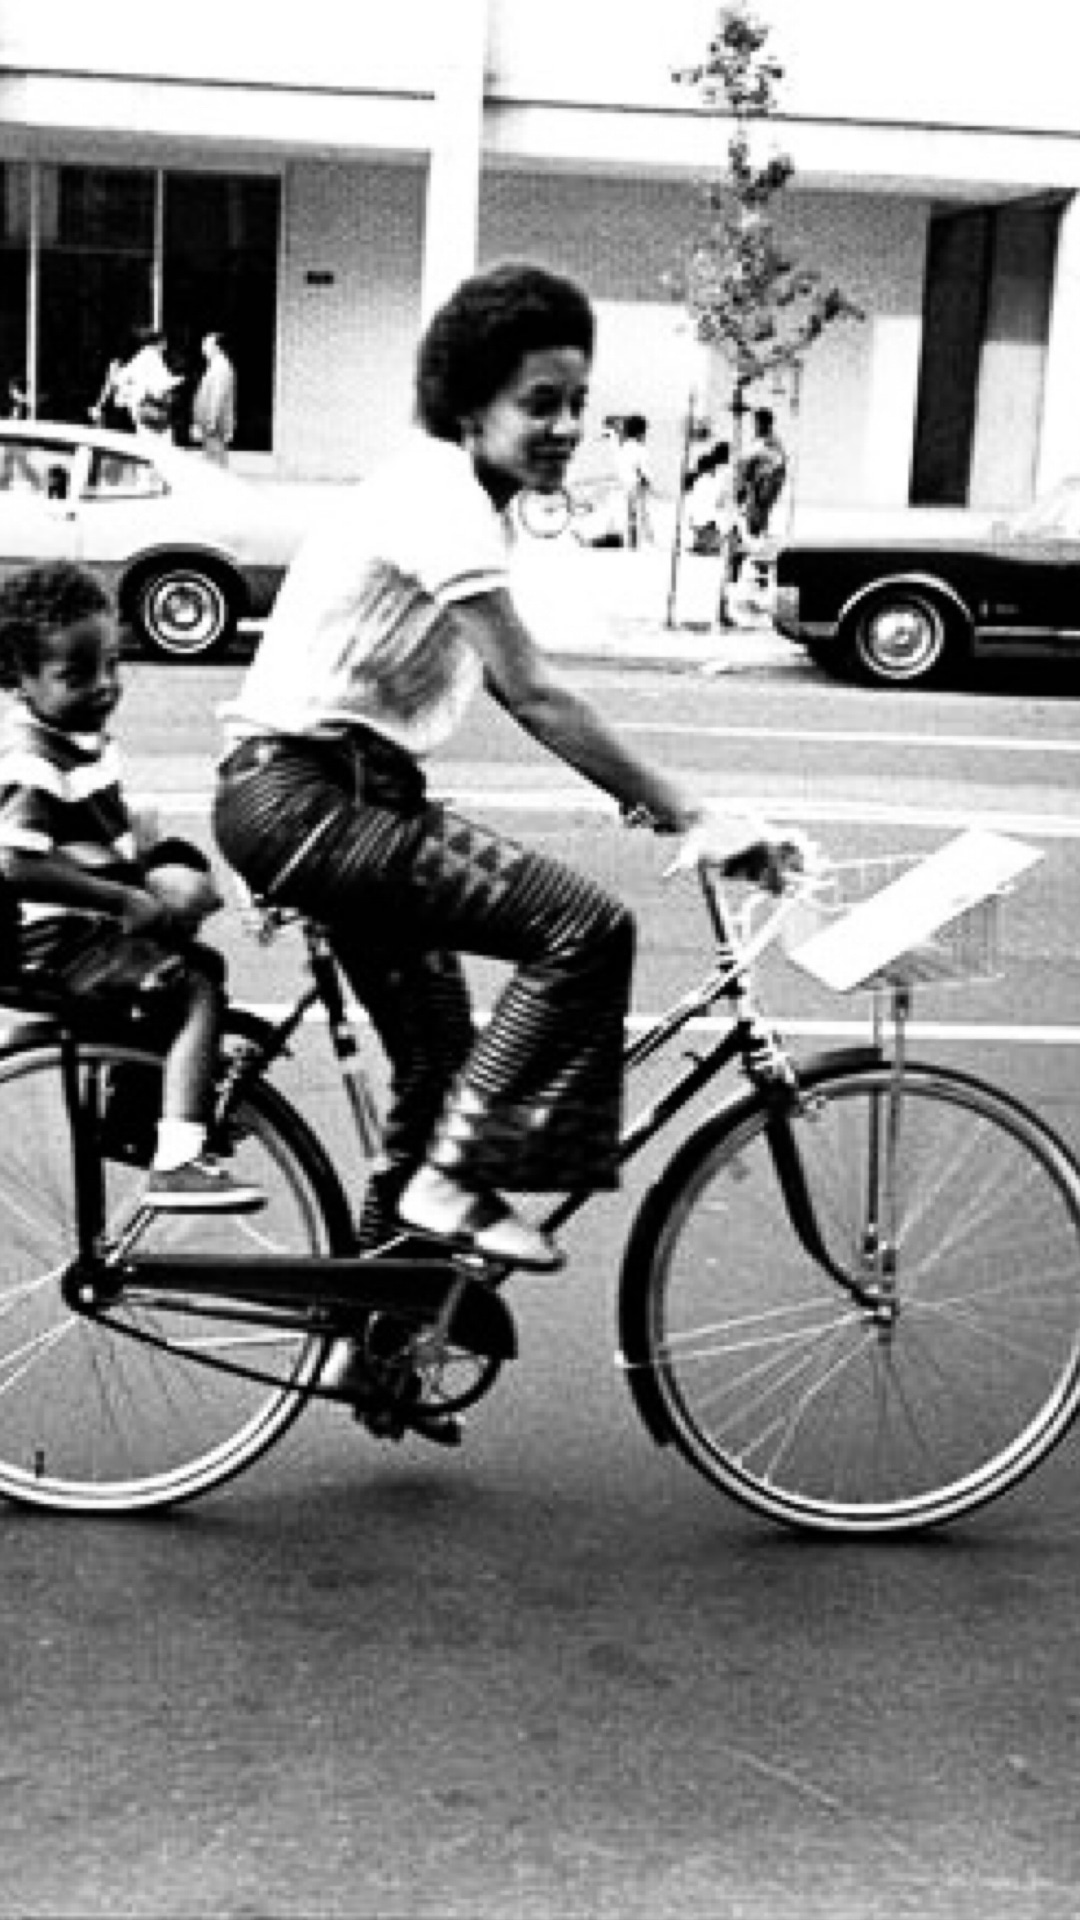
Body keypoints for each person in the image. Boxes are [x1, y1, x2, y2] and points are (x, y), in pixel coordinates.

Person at [212, 261, 792, 1285]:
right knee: (584, 927)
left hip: (335, 798)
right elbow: (534, 692)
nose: (566, 425)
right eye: (540, 404)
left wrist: (642, 800)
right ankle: (447, 1192)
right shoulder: (441, 497)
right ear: (469, 404)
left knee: (439, 1069)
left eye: (578, 402)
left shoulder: (466, 498)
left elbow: (488, 686)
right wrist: (688, 810)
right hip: (307, 800)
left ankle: (373, 1336)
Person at [0, 561, 264, 1213]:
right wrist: (124, 898)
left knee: (199, 964)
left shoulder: (79, 739)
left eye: (113, 665)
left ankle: (143, 1115)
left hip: (88, 932)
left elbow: (87, 834)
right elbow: (16, 863)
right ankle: (177, 1158)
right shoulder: (31, 755)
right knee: (194, 991)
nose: (104, 687)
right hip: (58, 943)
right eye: (77, 675)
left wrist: (142, 854)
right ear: (18, 678)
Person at [117, 326, 182, 439]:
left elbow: (121, 378)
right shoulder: (153, 357)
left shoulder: (141, 356)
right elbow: (160, 386)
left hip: (139, 406)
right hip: (150, 407)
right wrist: (177, 381)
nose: (166, 345)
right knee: (161, 441)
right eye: (165, 342)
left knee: (146, 438)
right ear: (160, 342)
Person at [190, 331, 237, 464]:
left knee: (215, 461)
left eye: (206, 344)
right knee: (213, 458)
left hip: (215, 424)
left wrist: (211, 420)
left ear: (217, 347)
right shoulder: (216, 366)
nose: (203, 348)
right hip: (211, 423)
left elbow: (218, 397)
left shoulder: (221, 367)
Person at [613, 411, 654, 548]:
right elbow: (643, 470)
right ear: (639, 433)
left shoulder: (623, 448)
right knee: (641, 516)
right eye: (644, 432)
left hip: (623, 487)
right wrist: (647, 481)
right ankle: (639, 543)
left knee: (630, 517)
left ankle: (632, 542)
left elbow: (622, 468)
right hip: (636, 486)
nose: (646, 435)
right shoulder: (640, 449)